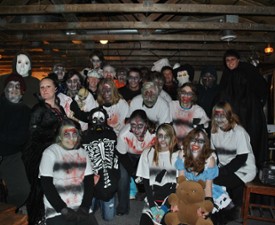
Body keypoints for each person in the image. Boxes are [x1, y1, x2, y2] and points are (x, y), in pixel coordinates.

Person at [23, 76, 67, 225]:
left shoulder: (59, 108)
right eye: (42, 87)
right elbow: (32, 134)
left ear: (55, 89)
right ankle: (36, 219)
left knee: (54, 185)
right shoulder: (39, 109)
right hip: (37, 153)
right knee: (40, 186)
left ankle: (52, 214)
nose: (44, 90)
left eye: (48, 86)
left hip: (55, 152)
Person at [39, 119, 98, 225]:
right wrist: (63, 209)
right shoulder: (50, 153)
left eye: (74, 134)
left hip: (80, 206)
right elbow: (47, 185)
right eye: (67, 135)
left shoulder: (83, 153)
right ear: (60, 136)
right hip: (57, 210)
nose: (72, 139)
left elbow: (89, 182)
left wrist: (85, 207)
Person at [219, 49, 268, 167]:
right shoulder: (226, 75)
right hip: (234, 115)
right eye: (227, 60)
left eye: (232, 60)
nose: (230, 62)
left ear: (238, 60)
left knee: (251, 141)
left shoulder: (248, 70)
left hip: (250, 114)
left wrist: (255, 106)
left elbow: (261, 88)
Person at [210, 102, 256, 220]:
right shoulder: (214, 132)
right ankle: (223, 207)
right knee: (207, 176)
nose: (219, 119)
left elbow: (241, 159)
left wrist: (221, 172)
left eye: (223, 115)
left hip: (243, 169)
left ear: (229, 115)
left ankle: (228, 210)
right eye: (217, 115)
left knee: (213, 180)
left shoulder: (239, 132)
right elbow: (212, 152)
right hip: (225, 167)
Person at [174, 128, 232, 218]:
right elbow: (181, 181)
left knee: (202, 215)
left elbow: (208, 187)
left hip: (204, 191)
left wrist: (206, 206)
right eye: (193, 140)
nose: (196, 144)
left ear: (205, 144)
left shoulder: (209, 160)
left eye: (200, 141)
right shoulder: (183, 155)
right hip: (188, 190)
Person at [136, 123, 178, 225]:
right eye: (160, 135)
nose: (163, 139)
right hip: (153, 198)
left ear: (172, 137)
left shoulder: (178, 155)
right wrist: (152, 206)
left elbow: (177, 185)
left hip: (171, 198)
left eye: (166, 136)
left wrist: (165, 207)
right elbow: (146, 182)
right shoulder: (147, 153)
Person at [116, 110, 156, 216]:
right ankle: (123, 207)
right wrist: (133, 172)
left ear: (146, 124)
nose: (136, 130)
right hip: (127, 155)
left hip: (146, 155)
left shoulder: (154, 133)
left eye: (140, 126)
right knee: (123, 177)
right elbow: (121, 155)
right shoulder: (124, 134)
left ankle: (151, 200)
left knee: (150, 174)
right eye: (133, 125)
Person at [82, 107, 119, 221]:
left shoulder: (111, 134)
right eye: (95, 118)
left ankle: (102, 200)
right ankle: (94, 199)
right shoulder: (84, 136)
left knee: (109, 218)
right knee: (87, 214)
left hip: (109, 183)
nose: (98, 121)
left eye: (101, 118)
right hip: (92, 182)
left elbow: (115, 156)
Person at [0, 73, 30, 209]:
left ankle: (8, 210)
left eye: (17, 86)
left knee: (22, 190)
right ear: (4, 89)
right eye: (10, 86)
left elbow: (21, 138)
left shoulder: (25, 111)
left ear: (22, 92)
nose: (13, 89)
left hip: (12, 156)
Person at [169, 82, 209, 147]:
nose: (186, 96)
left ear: (193, 96)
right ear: (179, 93)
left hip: (189, 146)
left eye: (189, 94)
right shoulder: (172, 106)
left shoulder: (198, 111)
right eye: (183, 92)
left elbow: (203, 131)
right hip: (172, 144)